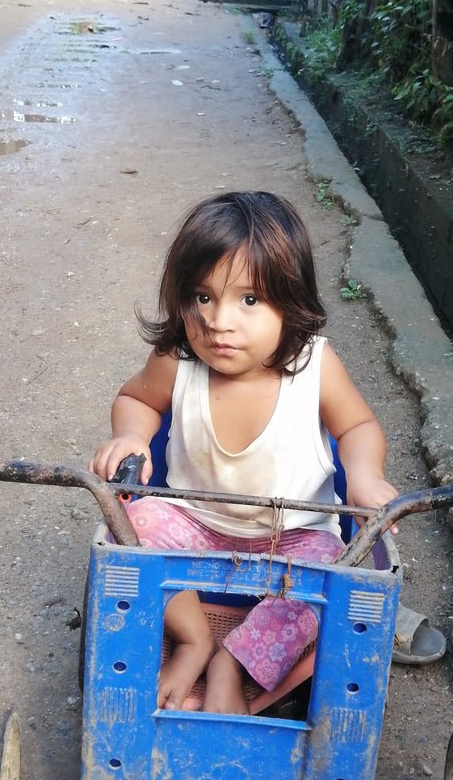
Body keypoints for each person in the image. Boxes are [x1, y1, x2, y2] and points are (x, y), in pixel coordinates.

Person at [89, 191, 405, 716]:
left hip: (296, 536)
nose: (218, 321)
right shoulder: (177, 360)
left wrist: (365, 476)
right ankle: (194, 640)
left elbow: (358, 426)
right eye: (203, 297)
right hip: (197, 523)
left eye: (249, 300)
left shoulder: (315, 367)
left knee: (335, 578)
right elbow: (136, 398)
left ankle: (232, 663)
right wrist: (132, 437)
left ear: (291, 301)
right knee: (132, 523)